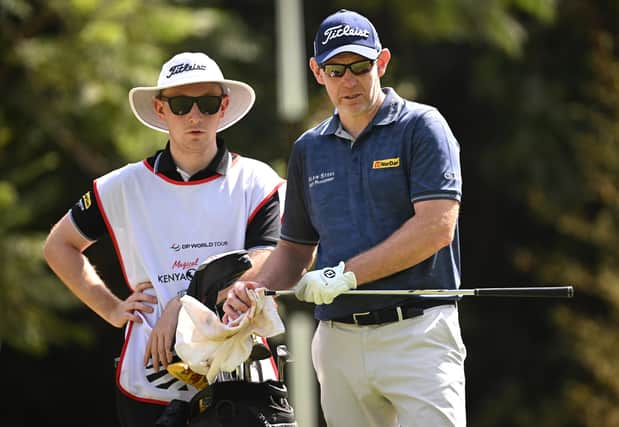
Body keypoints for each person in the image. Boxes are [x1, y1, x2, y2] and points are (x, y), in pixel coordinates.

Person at [224, 9, 466, 427]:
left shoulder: (423, 127)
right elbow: (295, 251)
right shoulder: (308, 149)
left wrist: (345, 275)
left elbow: (436, 227)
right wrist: (253, 288)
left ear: (382, 62)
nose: (348, 80)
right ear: (318, 72)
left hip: (418, 334)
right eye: (336, 69)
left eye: (359, 66)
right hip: (338, 343)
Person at [43, 52, 284, 427]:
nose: (194, 115)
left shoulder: (258, 180)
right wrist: (111, 309)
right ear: (160, 109)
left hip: (240, 379)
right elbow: (59, 246)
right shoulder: (122, 185)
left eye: (206, 104)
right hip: (150, 381)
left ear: (223, 107)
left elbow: (267, 261)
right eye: (180, 104)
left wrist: (185, 304)